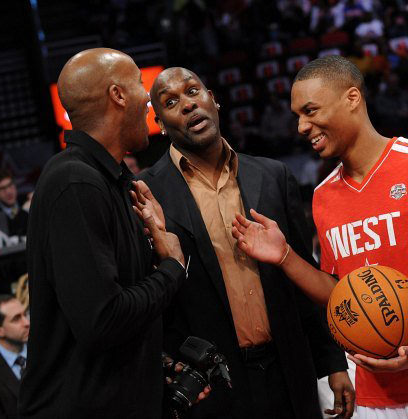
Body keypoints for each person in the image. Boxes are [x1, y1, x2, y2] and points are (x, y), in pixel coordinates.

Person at [232, 55, 408, 418]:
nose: (301, 126)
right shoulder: (323, 196)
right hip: (374, 394)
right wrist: (285, 257)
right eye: (298, 115)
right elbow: (343, 294)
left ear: (352, 98)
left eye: (310, 111)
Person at [140, 67, 354, 419]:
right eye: (171, 102)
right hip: (212, 387)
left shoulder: (272, 175)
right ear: (161, 123)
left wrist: (332, 362)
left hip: (289, 370)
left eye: (193, 92)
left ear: (214, 99)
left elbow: (303, 275)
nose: (188, 105)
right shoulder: (148, 193)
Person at [19, 48, 198, 419]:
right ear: (117, 95)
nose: (148, 101)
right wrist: (171, 268)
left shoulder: (115, 181)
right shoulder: (74, 182)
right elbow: (102, 320)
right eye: (139, 85)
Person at [0, 295, 29, 419]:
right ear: (1, 331)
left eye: (25, 314)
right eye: (16, 319)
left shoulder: (45, 350)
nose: (27, 323)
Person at [0, 169, 28, 241]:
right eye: (2, 188)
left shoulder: (27, 200)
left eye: (10, 185)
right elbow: (10, 236)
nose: (8, 192)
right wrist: (23, 211)